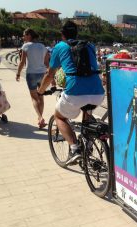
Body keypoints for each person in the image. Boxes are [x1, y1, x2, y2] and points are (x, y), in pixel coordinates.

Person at [38, 21, 104, 165]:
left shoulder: (60, 47)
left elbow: (50, 74)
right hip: (98, 91)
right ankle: (89, 144)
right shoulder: (89, 46)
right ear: (76, 33)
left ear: (62, 35)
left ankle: (75, 149)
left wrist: (41, 90)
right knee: (87, 112)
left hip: (75, 91)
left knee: (59, 117)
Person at [16, 28, 49, 128]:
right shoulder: (43, 47)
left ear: (29, 35)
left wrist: (18, 73)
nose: (23, 37)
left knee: (34, 98)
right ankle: (41, 120)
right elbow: (47, 63)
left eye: (24, 35)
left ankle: (40, 118)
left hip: (31, 74)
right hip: (42, 74)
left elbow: (22, 62)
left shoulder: (26, 46)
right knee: (41, 97)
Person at [125, 85, 137, 160]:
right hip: (133, 119)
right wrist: (127, 114)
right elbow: (129, 107)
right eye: (134, 91)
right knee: (130, 133)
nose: (135, 91)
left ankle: (135, 152)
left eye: (136, 90)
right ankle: (127, 146)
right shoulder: (133, 99)